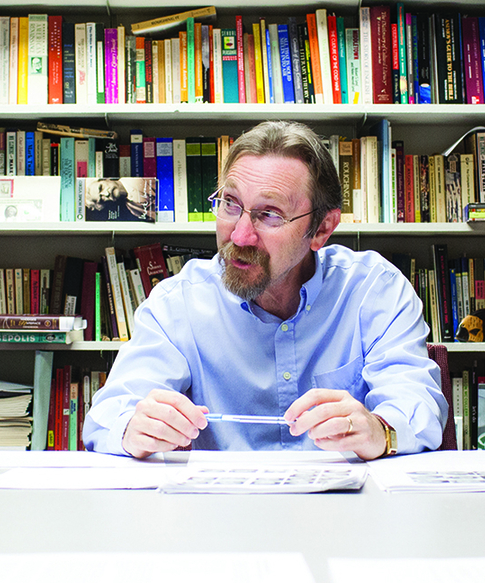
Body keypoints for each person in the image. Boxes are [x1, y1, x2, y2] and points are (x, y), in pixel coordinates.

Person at [83, 120, 445, 459]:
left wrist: (381, 431)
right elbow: (108, 417)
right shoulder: (177, 304)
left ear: (322, 229)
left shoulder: (373, 290)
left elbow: (417, 404)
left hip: (346, 513)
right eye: (230, 204)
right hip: (220, 516)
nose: (239, 236)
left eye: (269, 214)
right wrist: (133, 427)